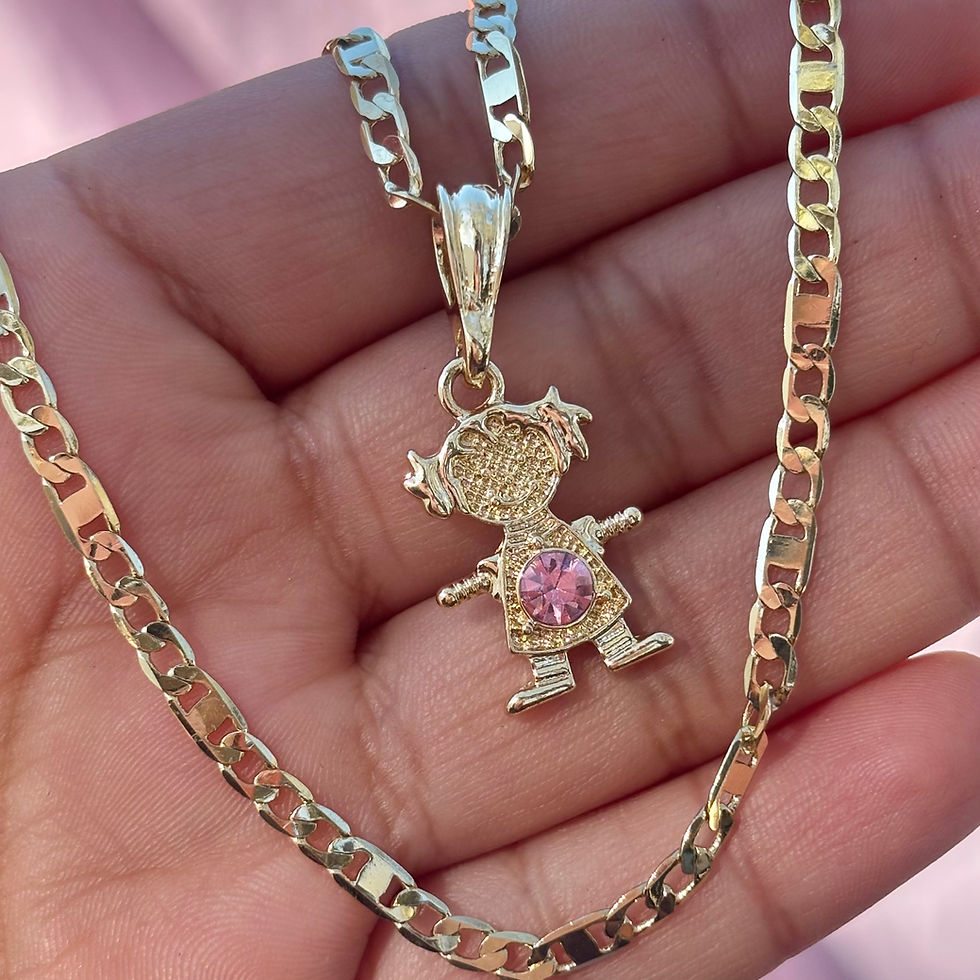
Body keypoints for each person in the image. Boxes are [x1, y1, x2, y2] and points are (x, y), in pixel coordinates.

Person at [0, 2, 978, 978]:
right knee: (546, 614)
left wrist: (602, 520)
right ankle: (557, 669)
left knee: (590, 601)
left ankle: (608, 647)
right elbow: (500, 566)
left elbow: (583, 526)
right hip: (531, 570)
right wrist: (486, 573)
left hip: (554, 559)